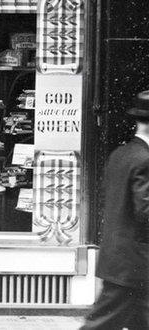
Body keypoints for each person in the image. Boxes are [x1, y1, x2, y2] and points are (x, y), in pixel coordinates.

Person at [82, 90, 149, 330]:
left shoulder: (120, 155)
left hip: (120, 261)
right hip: (134, 266)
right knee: (101, 325)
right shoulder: (145, 159)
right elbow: (146, 212)